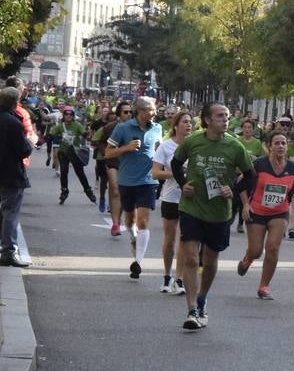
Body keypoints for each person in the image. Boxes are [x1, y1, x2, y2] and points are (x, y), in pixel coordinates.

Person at [171, 102, 253, 329]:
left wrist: (233, 190)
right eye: (220, 116)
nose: (225, 120)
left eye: (227, 116)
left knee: (210, 261)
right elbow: (176, 164)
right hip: (192, 207)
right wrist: (183, 183)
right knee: (190, 258)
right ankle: (191, 310)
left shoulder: (235, 147)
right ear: (207, 120)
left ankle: (202, 298)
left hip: (218, 212)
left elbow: (250, 176)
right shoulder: (192, 141)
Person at [237, 130, 294, 300]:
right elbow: (241, 184)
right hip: (256, 211)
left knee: (273, 248)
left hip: (279, 213)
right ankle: (247, 259)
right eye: (276, 143)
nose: (280, 146)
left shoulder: (293, 168)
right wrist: (245, 204)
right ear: (268, 146)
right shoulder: (258, 165)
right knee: (256, 250)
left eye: (283, 143)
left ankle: (264, 286)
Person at [105, 96, 162, 280]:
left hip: (148, 181)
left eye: (154, 110)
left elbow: (160, 150)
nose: (153, 114)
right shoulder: (123, 128)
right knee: (129, 220)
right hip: (127, 181)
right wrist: (126, 148)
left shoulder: (158, 128)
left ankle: (138, 262)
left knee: (144, 220)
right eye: (149, 110)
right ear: (140, 111)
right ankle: (133, 237)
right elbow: (107, 152)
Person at [151, 110, 192, 294]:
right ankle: (167, 276)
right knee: (169, 239)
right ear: (176, 126)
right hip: (170, 197)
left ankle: (179, 279)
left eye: (191, 122)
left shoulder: (195, 147)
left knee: (185, 239)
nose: (189, 125)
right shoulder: (165, 147)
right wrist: (177, 173)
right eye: (185, 122)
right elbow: (155, 173)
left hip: (190, 198)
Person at [0, 86, 33, 267]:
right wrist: (29, 142)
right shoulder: (13, 123)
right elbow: (23, 150)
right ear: (14, 103)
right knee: (10, 213)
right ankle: (8, 251)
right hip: (10, 174)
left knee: (5, 212)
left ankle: (6, 248)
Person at [49, 107, 96, 204]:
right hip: (63, 152)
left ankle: (88, 191)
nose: (68, 116)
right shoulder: (60, 126)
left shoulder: (77, 125)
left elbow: (84, 133)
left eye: (71, 114)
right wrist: (39, 142)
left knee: (80, 173)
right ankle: (64, 191)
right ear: (64, 115)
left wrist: (89, 138)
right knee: (64, 172)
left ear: (73, 116)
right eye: (66, 114)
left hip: (74, 153)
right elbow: (50, 135)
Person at [231, 119, 265, 233]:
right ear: (242, 129)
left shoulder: (257, 143)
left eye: (249, 127)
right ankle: (230, 219)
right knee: (234, 198)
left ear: (253, 129)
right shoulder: (237, 141)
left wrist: (256, 158)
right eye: (245, 127)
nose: (247, 130)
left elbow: (262, 159)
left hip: (249, 174)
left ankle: (241, 223)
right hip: (236, 173)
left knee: (244, 200)